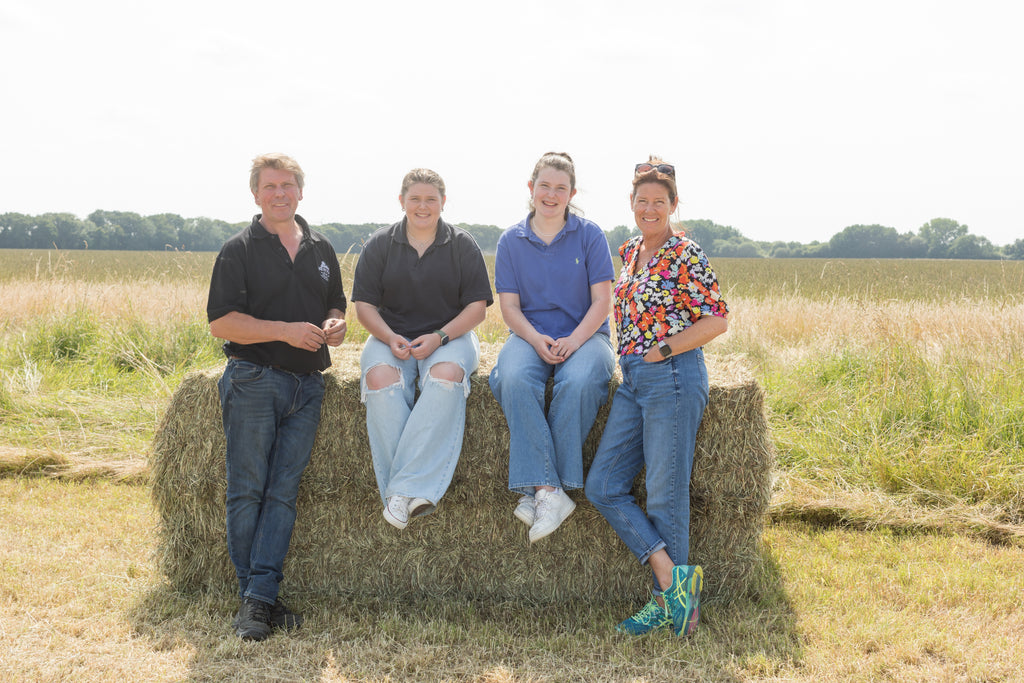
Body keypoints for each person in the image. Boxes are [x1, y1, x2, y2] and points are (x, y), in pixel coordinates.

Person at [585, 157, 729, 637]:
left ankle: (676, 611)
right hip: (632, 381)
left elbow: (717, 319)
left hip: (671, 375)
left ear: (672, 205)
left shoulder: (685, 253)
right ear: (631, 203)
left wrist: (663, 348)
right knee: (603, 485)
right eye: (642, 200)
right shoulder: (629, 252)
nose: (650, 208)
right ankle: (672, 579)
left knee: (666, 497)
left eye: (659, 202)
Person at [207, 153, 348, 641]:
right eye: (271, 186)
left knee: (282, 494)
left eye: (288, 185)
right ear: (256, 194)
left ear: (301, 192)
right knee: (247, 490)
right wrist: (285, 331)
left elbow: (336, 304)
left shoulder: (322, 247)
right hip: (253, 379)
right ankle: (258, 598)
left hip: (308, 386)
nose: (280, 193)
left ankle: (257, 600)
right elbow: (221, 322)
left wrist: (336, 324)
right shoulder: (238, 250)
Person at [352, 168, 492, 530]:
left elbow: (477, 307)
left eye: (431, 199)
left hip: (450, 336)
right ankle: (409, 493)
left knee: (447, 375)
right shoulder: (379, 244)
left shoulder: (463, 244)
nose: (423, 206)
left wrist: (440, 338)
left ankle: (400, 492)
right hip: (390, 335)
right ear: (402, 201)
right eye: (415, 198)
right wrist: (386, 337)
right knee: (380, 378)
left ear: (443, 203)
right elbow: (364, 306)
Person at [488, 152, 615, 543]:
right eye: (544, 185)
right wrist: (534, 337)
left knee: (577, 383)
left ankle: (538, 488)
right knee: (511, 375)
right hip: (529, 333)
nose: (551, 194)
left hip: (586, 336)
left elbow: (602, 302)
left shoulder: (590, 235)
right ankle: (550, 490)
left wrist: (575, 340)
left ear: (571, 193)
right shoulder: (511, 239)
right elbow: (509, 307)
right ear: (531, 188)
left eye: (561, 188)